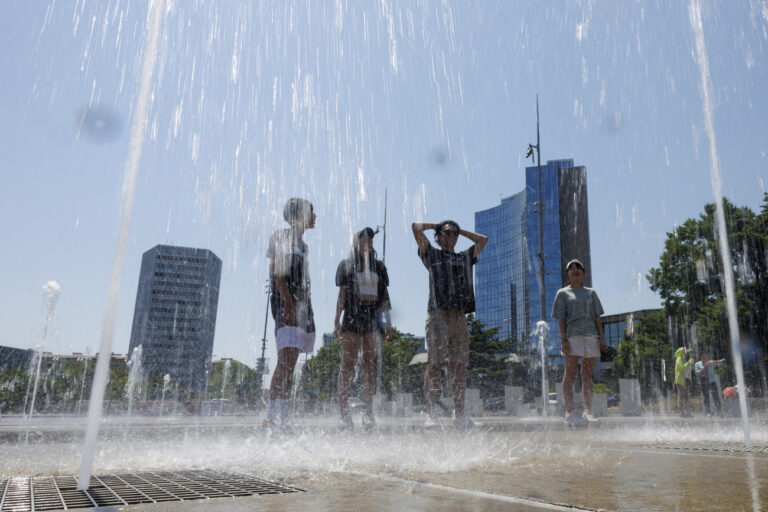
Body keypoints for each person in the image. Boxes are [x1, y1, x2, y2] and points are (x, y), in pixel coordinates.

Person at [412, 220, 488, 429]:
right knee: (435, 365)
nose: (452, 236)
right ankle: (431, 413)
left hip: (459, 317)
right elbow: (415, 228)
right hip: (437, 315)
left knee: (459, 367)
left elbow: (483, 240)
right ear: (438, 235)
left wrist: (459, 230)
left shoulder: (464, 257)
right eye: (447, 232)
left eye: (454, 233)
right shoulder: (432, 254)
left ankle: (460, 414)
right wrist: (438, 224)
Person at [263, 197, 317, 431]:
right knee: (284, 361)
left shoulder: (303, 245)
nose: (315, 217)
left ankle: (283, 416)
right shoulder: (280, 236)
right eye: (311, 212)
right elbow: (278, 272)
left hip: (302, 305)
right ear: (299, 215)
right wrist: (288, 303)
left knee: (292, 361)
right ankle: (271, 417)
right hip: (287, 304)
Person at [334, 227, 392, 430]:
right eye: (363, 237)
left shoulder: (379, 266)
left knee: (369, 365)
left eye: (370, 238)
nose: (368, 241)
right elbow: (341, 295)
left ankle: (368, 412)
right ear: (356, 241)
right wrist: (336, 321)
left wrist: (388, 322)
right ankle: (343, 412)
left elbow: (384, 296)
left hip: (372, 317)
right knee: (347, 363)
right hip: (351, 315)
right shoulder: (346, 264)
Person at [552, 259, 607, 427]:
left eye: (578, 267)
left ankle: (587, 410)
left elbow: (598, 316)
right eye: (571, 267)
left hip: (591, 336)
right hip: (572, 336)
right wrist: (563, 340)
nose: (574, 269)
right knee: (570, 373)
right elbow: (561, 319)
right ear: (567, 274)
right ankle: (570, 411)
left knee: (587, 375)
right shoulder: (562, 293)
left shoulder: (591, 292)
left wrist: (602, 337)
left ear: (583, 273)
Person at [674, 346, 694, 418]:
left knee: (687, 397)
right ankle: (681, 412)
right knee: (681, 397)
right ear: (682, 353)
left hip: (686, 380)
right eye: (686, 352)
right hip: (680, 381)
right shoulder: (679, 360)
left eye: (687, 353)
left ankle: (688, 412)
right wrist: (689, 363)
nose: (687, 354)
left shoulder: (683, 360)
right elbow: (682, 369)